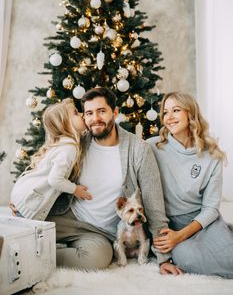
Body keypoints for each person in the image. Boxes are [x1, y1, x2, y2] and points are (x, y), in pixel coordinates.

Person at [44, 87, 182, 274]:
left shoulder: (138, 150)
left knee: (97, 258)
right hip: (69, 216)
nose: (95, 119)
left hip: (100, 232)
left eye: (102, 111)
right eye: (89, 113)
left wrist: (163, 258)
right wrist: (27, 198)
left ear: (114, 113)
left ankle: (38, 257)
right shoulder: (77, 142)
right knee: (26, 229)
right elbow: (46, 168)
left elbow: (153, 203)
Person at [147, 91, 233, 278]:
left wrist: (181, 236)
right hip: (171, 223)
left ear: (190, 114)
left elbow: (210, 208)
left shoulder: (212, 155)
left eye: (176, 110)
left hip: (203, 221)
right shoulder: (152, 147)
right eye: (165, 112)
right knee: (186, 258)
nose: (169, 117)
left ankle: (225, 232)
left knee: (229, 258)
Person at [10, 98, 91, 221]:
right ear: (64, 123)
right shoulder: (68, 148)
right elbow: (55, 180)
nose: (82, 114)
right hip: (29, 202)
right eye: (76, 113)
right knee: (26, 238)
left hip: (23, 194)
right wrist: (75, 189)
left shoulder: (62, 143)